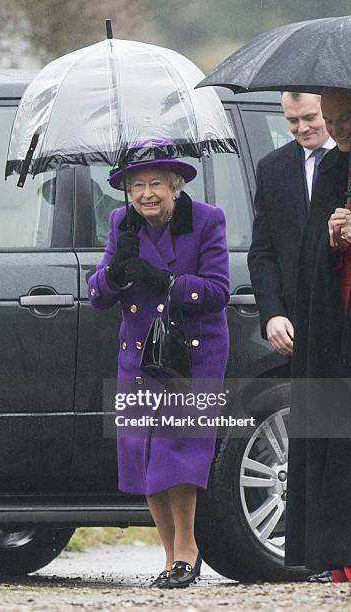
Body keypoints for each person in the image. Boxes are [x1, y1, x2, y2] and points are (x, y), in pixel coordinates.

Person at [88, 153, 229, 588]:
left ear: (175, 186)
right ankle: (170, 558)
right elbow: (98, 295)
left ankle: (188, 548)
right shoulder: (121, 222)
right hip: (138, 354)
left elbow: (219, 290)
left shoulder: (206, 219)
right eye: (136, 187)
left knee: (177, 450)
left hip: (189, 354)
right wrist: (115, 272)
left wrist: (164, 280)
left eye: (155, 185)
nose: (146, 194)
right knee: (143, 454)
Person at [285, 87, 351, 581]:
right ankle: (337, 550)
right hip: (338, 320)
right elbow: (314, 255)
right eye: (333, 118)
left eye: (345, 117)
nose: (337, 129)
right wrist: (334, 237)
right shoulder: (334, 169)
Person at [248, 92, 335, 355]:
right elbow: (262, 251)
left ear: (328, 110)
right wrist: (272, 313)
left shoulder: (347, 158)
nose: (302, 128)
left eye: (310, 117)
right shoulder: (271, 168)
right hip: (300, 329)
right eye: (292, 120)